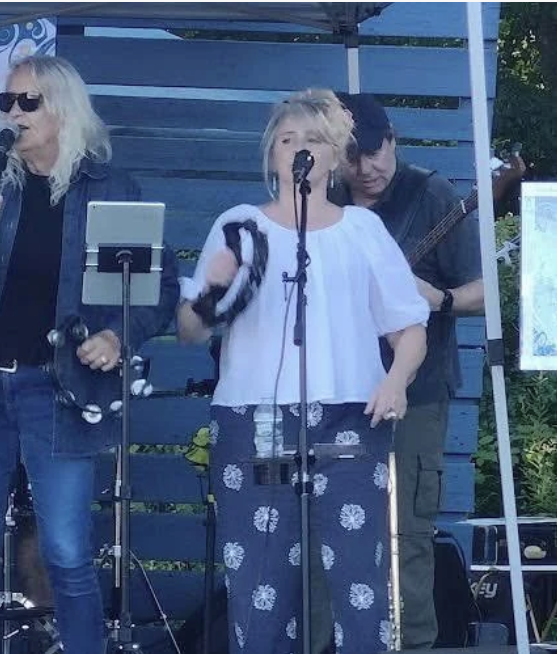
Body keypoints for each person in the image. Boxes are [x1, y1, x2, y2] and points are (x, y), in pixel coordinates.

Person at [0, 54, 181, 654]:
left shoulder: (108, 189)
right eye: (7, 102)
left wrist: (117, 336)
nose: (14, 113)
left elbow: (158, 286)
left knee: (66, 550)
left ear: (64, 109)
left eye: (28, 102)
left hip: (59, 391)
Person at [177, 88, 428, 654]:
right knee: (259, 590)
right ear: (272, 154)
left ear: (336, 155)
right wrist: (211, 289)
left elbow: (409, 328)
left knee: (360, 586)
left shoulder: (362, 230)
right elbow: (191, 330)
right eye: (288, 139)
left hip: (350, 418)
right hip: (255, 421)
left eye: (313, 139)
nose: (300, 149)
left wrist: (396, 382)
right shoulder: (241, 226)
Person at [330, 93, 487, 650]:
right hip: (335, 390)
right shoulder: (321, 200)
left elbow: (483, 291)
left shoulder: (433, 195)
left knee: (406, 533)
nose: (367, 168)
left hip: (415, 394)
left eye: (376, 151)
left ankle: (412, 644)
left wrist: (437, 298)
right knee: (329, 531)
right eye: (352, 157)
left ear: (393, 139)